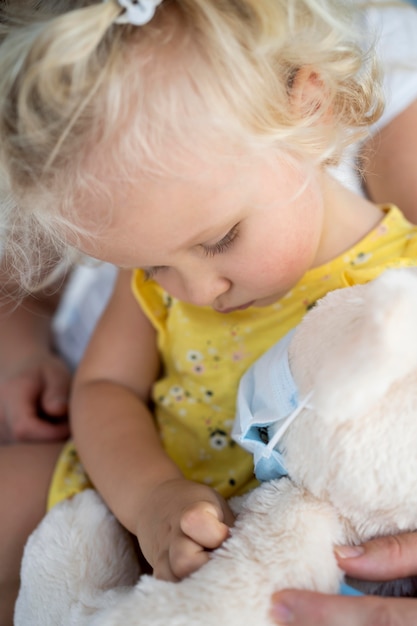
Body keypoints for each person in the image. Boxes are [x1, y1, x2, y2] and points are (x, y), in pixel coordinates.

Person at [0, 1, 417, 625]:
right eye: (153, 265)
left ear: (310, 107)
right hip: (139, 491)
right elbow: (108, 387)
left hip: (296, 541)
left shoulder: (400, 284)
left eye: (219, 241)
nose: (196, 290)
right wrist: (149, 499)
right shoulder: (160, 256)